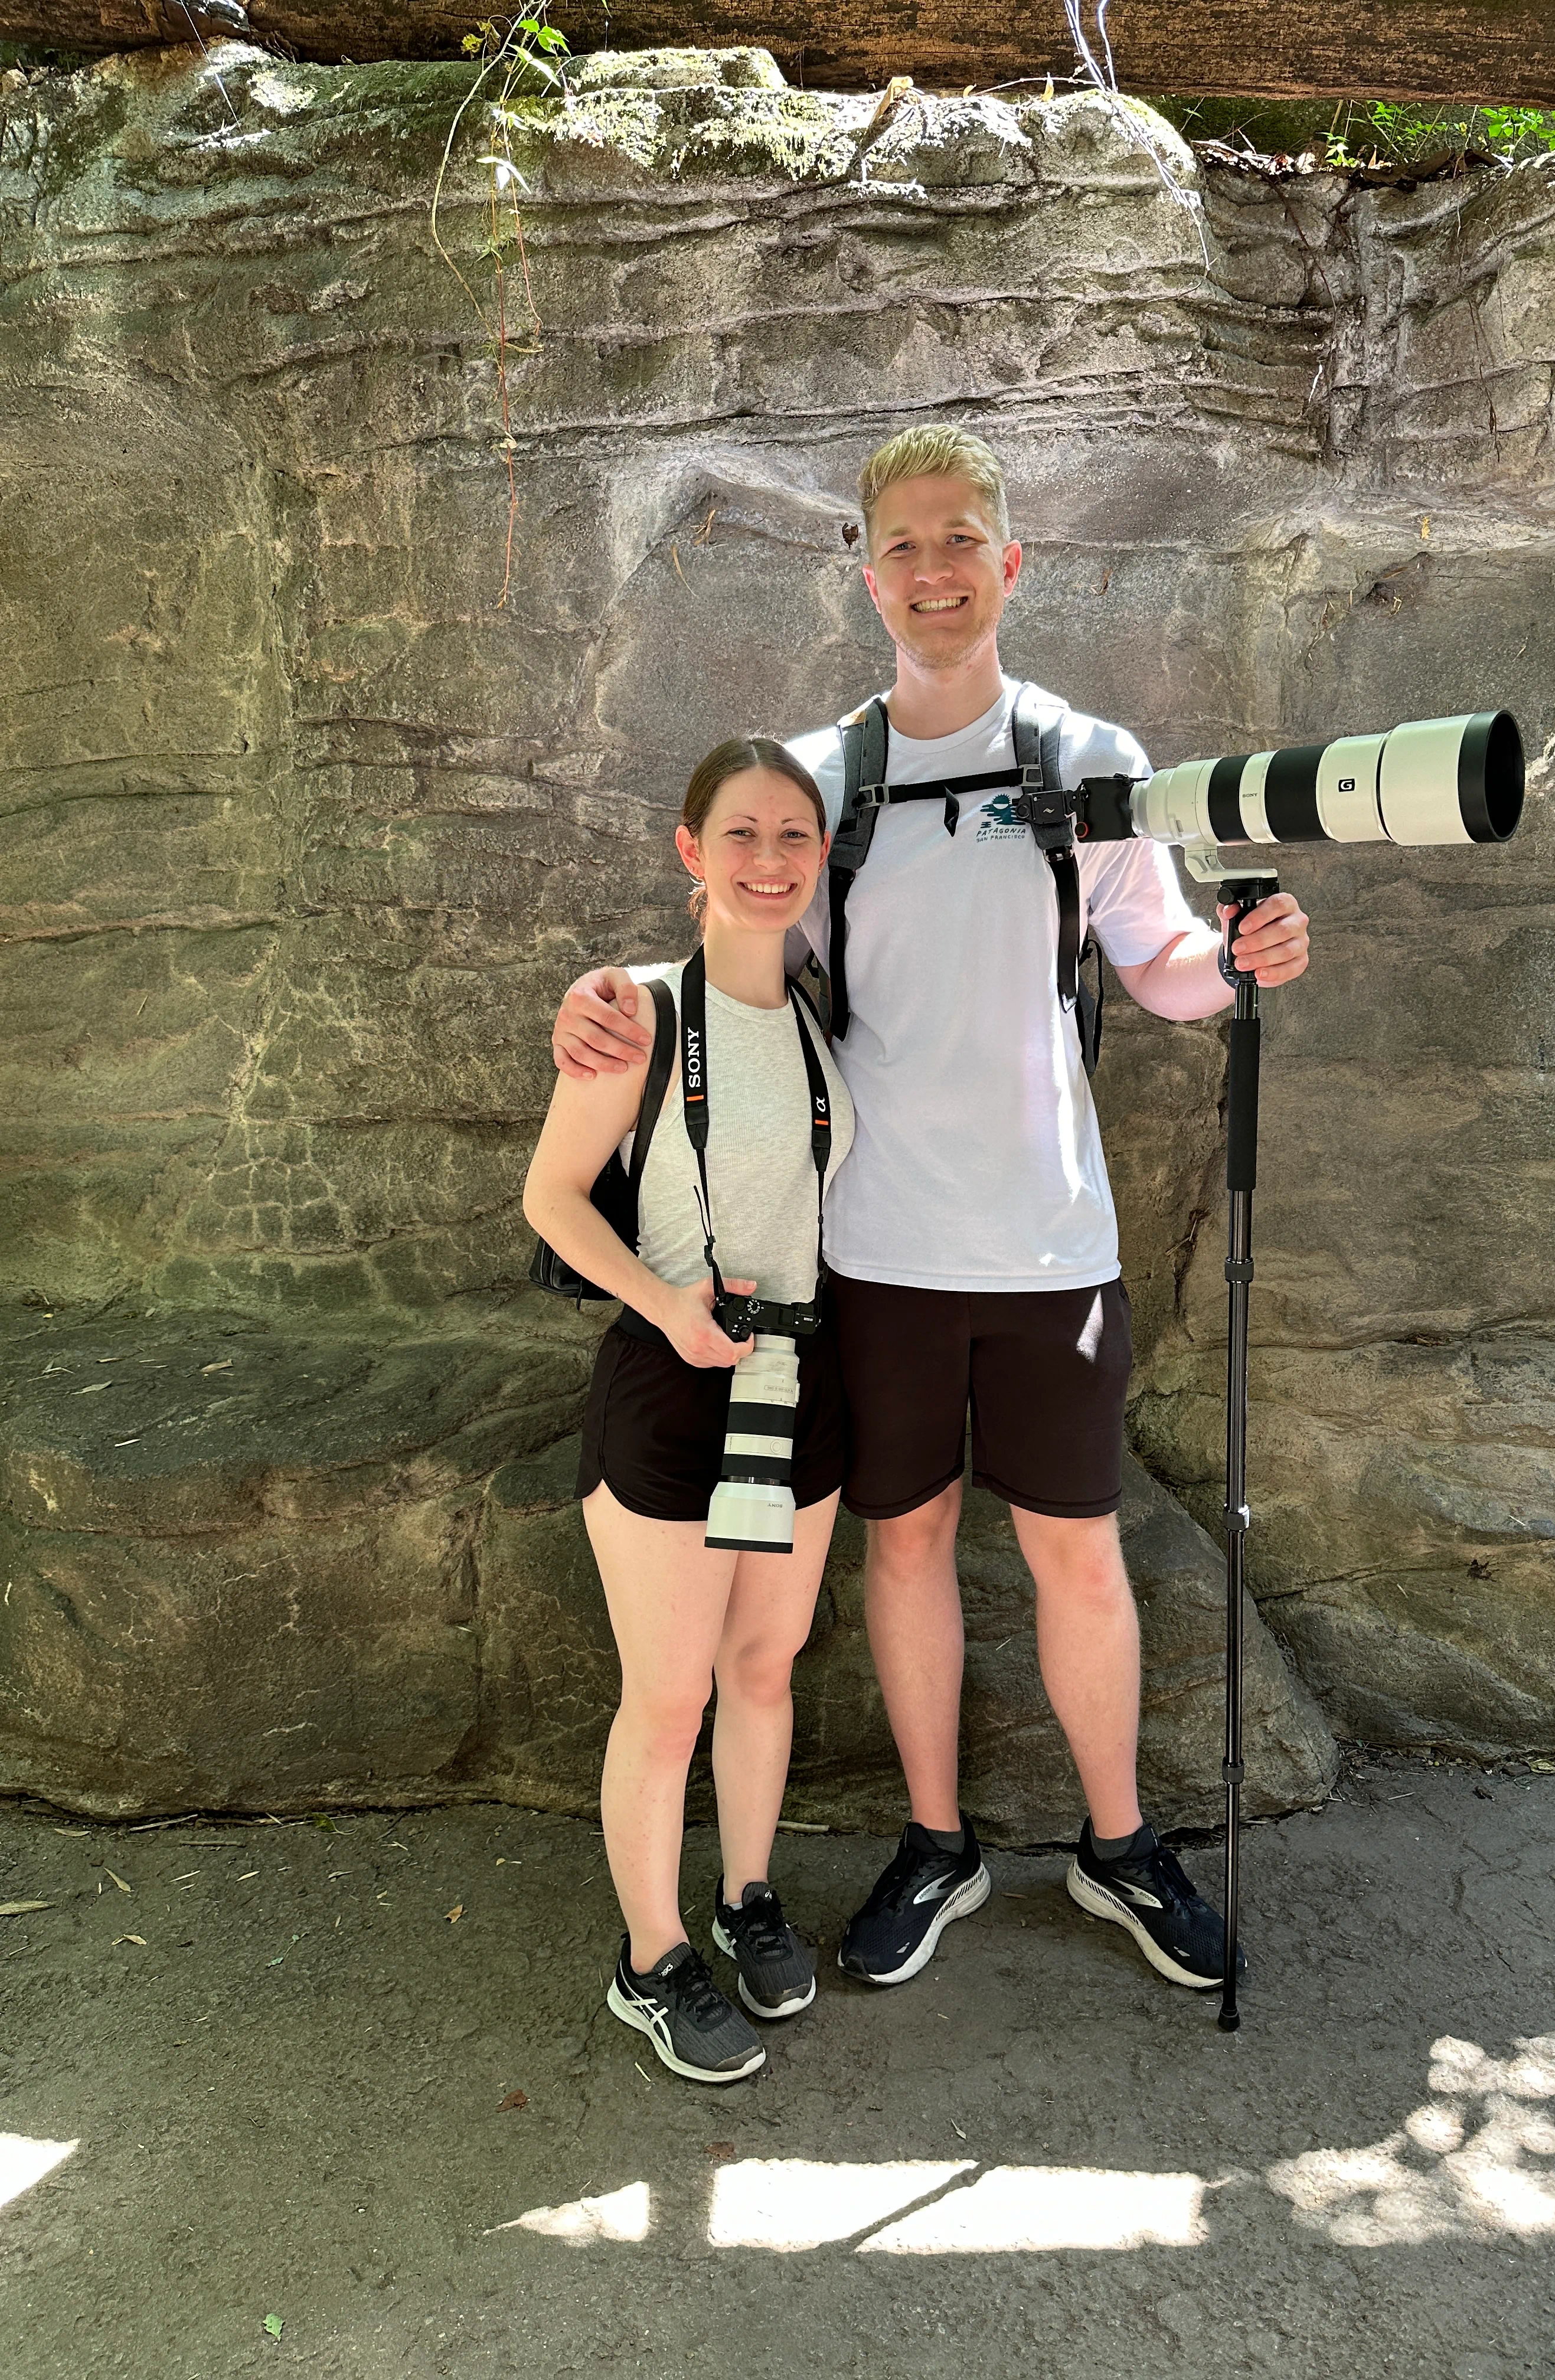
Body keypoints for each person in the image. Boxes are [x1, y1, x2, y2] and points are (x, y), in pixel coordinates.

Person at [550, 426, 1311, 1995]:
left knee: (1079, 1555)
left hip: (1049, 1244)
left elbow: (1161, 965)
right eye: (902, 545)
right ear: (868, 574)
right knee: (902, 1555)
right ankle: (937, 1841)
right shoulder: (828, 782)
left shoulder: (1090, 762)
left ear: (1010, 561)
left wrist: (1239, 962)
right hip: (873, 1257)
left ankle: (1119, 1848)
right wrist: (614, 1004)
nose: (934, 570)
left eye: (961, 538)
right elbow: (747, 941)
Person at [522, 737, 854, 2082]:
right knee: (666, 1701)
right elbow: (550, 1199)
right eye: (741, 836)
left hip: (806, 1379)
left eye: (794, 838)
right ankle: (651, 1959)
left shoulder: (829, 1015)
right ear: (689, 852)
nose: (769, 862)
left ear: (820, 857)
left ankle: (748, 1896)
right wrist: (666, 1305)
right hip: (678, 1380)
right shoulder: (636, 1014)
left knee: (763, 1670)